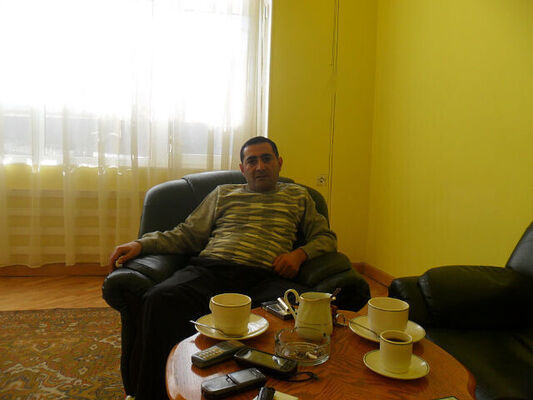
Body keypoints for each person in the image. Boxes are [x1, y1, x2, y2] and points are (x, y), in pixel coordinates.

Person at [108, 136, 337, 400]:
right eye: (252, 161)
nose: (260, 166)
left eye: (266, 159)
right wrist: (141, 244)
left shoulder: (299, 196)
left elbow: (326, 237)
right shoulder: (223, 194)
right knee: (159, 299)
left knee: (299, 314)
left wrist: (299, 254)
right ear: (242, 168)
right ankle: (152, 395)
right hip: (210, 270)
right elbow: (186, 234)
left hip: (264, 277)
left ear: (279, 163)